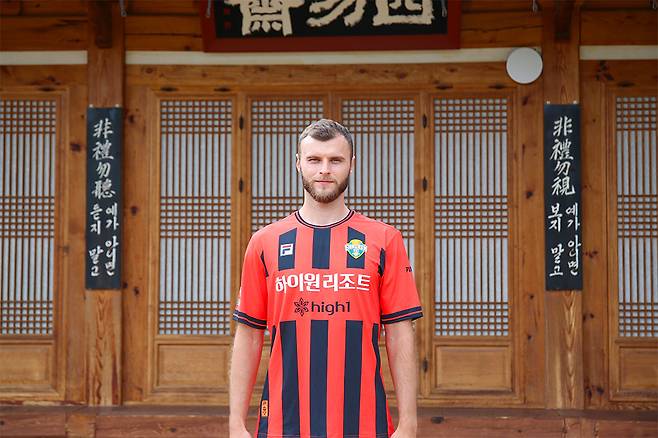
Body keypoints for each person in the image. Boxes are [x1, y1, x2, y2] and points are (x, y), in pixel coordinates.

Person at [229, 119, 422, 438]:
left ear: (352, 164)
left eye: (335, 160)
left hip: (363, 422)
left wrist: (409, 423)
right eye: (314, 159)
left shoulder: (384, 240)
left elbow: (400, 333)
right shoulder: (265, 242)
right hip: (283, 422)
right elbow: (249, 334)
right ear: (298, 164)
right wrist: (236, 422)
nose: (324, 169)